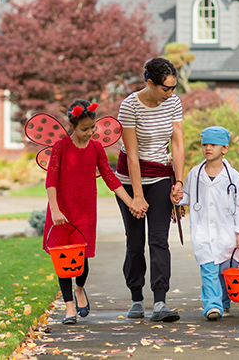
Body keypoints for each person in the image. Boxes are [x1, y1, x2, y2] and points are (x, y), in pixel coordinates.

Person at [44, 99, 139, 325]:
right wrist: (55, 209)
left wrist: (131, 201)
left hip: (85, 212)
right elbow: (51, 180)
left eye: (92, 128)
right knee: (63, 259)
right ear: (73, 126)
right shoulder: (61, 147)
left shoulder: (96, 148)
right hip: (61, 212)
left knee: (82, 260)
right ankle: (68, 307)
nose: (89, 133)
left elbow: (110, 177)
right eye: (84, 129)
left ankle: (79, 289)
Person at [115, 57, 185, 322]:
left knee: (158, 239)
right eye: (165, 88)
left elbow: (177, 144)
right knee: (134, 242)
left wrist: (178, 182)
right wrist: (137, 196)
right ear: (150, 83)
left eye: (173, 87)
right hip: (129, 179)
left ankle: (159, 302)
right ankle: (135, 298)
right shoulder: (129, 106)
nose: (171, 93)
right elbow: (132, 156)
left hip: (160, 176)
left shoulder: (173, 103)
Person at [177, 126, 239, 320]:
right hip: (202, 232)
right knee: (208, 270)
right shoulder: (195, 173)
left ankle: (224, 303)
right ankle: (212, 306)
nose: (208, 148)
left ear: (225, 149)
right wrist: (177, 198)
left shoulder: (235, 178)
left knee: (226, 272)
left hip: (228, 233)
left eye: (213, 145)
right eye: (205, 144)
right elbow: (188, 196)